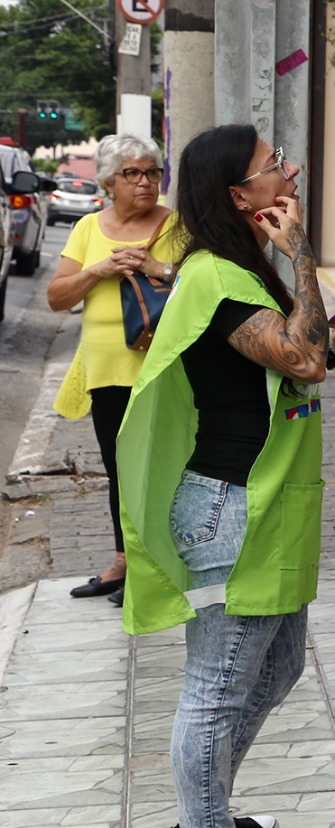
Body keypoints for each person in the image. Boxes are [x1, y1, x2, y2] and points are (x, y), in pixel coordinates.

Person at [117, 125, 335, 828]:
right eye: (273, 165)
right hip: (230, 508)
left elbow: (308, 349)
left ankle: (203, 814)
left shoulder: (237, 270)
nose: (289, 170)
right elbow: (302, 359)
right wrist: (300, 258)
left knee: (279, 668)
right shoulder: (216, 276)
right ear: (237, 196)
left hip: (261, 504)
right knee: (217, 687)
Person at [48, 134, 184, 608]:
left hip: (161, 370)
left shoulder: (175, 226)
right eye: (133, 173)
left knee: (158, 469)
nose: (146, 182)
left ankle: (156, 568)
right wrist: (98, 270)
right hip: (106, 371)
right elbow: (57, 296)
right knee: (119, 470)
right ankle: (125, 562)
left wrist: (155, 266)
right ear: (108, 182)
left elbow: (200, 287)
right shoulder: (88, 228)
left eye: (152, 172)